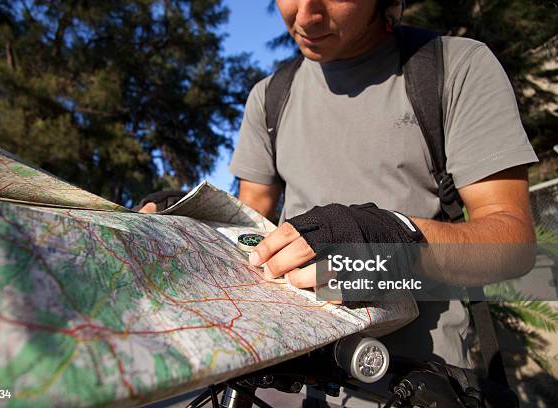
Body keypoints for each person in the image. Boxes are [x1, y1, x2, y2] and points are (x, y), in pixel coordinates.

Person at [225, 0, 537, 406]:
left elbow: (513, 243)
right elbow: (248, 219)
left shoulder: (456, 67)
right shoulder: (269, 97)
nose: (305, 17)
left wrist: (395, 241)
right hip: (289, 383)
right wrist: (183, 220)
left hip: (415, 385)